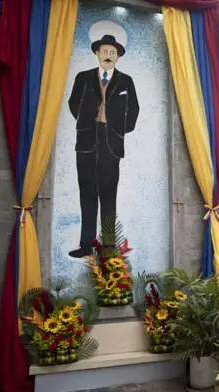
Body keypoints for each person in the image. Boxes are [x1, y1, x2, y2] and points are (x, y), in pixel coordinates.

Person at [67, 34, 140, 258]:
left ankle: (108, 247)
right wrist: (86, 123)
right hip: (87, 140)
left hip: (112, 142)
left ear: (118, 57)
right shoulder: (83, 77)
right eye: (104, 51)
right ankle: (86, 245)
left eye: (112, 53)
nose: (108, 56)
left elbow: (134, 109)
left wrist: (119, 129)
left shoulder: (126, 81)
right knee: (87, 193)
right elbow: (73, 102)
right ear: (97, 53)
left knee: (109, 195)